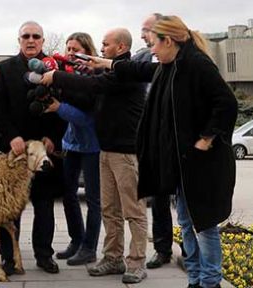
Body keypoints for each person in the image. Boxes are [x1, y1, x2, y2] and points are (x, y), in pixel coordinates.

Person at [81, 15, 238, 288]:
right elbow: (139, 70)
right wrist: (105, 63)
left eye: (154, 44)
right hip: (182, 163)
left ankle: (210, 281)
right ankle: (195, 278)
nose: (151, 51)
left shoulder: (197, 65)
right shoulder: (171, 65)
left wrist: (206, 139)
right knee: (188, 225)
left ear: (169, 41)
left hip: (202, 163)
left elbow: (227, 103)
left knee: (204, 226)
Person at [40, 28, 148, 284]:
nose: (101, 49)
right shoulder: (109, 69)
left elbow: (92, 85)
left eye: (105, 44)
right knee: (109, 209)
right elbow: (90, 83)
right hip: (106, 150)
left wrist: (56, 76)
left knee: (133, 211)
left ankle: (136, 263)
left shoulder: (127, 72)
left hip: (126, 153)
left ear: (120, 47)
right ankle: (112, 258)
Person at [0, 20, 67, 275]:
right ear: (19, 40)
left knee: (44, 205)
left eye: (36, 36)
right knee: (10, 208)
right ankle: (10, 258)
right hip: (15, 150)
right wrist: (11, 135)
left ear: (43, 41)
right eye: (26, 36)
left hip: (45, 150)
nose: (31, 40)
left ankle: (44, 255)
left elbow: (61, 105)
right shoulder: (5, 68)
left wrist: (54, 137)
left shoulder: (55, 68)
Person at [46, 32, 101, 266]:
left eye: (75, 48)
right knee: (68, 193)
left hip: (92, 145)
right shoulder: (66, 75)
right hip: (72, 143)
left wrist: (59, 108)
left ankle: (89, 247)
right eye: (68, 48)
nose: (70, 52)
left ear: (88, 51)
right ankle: (76, 240)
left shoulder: (95, 76)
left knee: (93, 199)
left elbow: (89, 119)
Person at [133, 13, 175, 269]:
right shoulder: (140, 58)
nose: (142, 35)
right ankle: (162, 249)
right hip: (150, 141)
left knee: (183, 203)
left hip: (174, 140)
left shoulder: (174, 60)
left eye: (146, 30)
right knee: (158, 200)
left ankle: (192, 251)